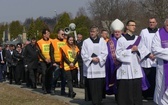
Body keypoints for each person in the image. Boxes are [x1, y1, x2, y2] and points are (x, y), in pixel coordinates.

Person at [115, 20, 152, 105]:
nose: (134, 27)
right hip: (125, 67)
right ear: (127, 27)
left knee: (136, 87)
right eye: (132, 25)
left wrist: (142, 52)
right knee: (126, 87)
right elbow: (118, 54)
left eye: (135, 25)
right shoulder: (121, 40)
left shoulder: (138, 39)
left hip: (135, 66)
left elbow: (143, 50)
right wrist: (131, 50)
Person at [81, 26, 108, 105]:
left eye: (93, 31)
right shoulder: (86, 42)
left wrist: (99, 58)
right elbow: (83, 53)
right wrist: (91, 59)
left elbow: (105, 52)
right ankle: (94, 101)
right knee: (92, 85)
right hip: (91, 66)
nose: (92, 33)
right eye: (91, 31)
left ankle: (99, 100)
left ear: (97, 32)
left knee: (99, 85)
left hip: (99, 67)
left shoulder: (102, 41)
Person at [140, 17, 158, 99]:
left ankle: (154, 94)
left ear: (156, 23)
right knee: (146, 77)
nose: (151, 23)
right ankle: (145, 94)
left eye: (153, 22)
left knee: (155, 77)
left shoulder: (159, 32)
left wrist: (156, 54)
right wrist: (148, 54)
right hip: (146, 59)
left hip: (156, 58)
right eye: (150, 22)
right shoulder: (143, 32)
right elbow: (141, 44)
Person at [105, 19, 124, 96]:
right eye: (115, 32)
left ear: (121, 32)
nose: (117, 33)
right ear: (113, 32)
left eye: (118, 32)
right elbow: (108, 54)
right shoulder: (110, 42)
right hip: (113, 65)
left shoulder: (125, 40)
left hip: (123, 64)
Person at [151, 18, 168, 105]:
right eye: (167, 25)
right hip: (163, 66)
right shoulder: (159, 34)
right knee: (162, 89)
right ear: (164, 25)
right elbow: (155, 49)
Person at [49, 28, 67, 95]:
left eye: (64, 34)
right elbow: (51, 52)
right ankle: (52, 89)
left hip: (64, 63)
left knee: (64, 78)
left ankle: (63, 91)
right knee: (55, 77)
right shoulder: (53, 41)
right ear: (58, 34)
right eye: (62, 34)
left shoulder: (65, 41)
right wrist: (53, 62)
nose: (63, 35)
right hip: (56, 62)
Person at [36, 29, 53, 94]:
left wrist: (51, 59)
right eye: (48, 33)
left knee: (50, 74)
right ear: (44, 34)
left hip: (50, 60)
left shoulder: (51, 41)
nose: (49, 34)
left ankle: (49, 88)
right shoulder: (39, 42)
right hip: (43, 61)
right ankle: (44, 88)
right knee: (44, 73)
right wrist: (45, 59)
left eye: (49, 33)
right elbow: (39, 52)